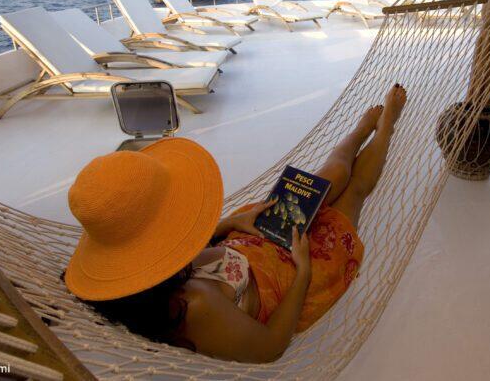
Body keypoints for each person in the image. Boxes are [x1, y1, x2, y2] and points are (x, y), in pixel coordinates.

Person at [64, 85, 407, 363]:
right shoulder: (195, 307)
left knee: (324, 181)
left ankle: (360, 130)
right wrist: (303, 271)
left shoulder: (140, 275)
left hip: (248, 239)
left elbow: (175, 254)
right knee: (353, 192)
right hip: (289, 274)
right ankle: (386, 125)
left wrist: (228, 223)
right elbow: (270, 347)